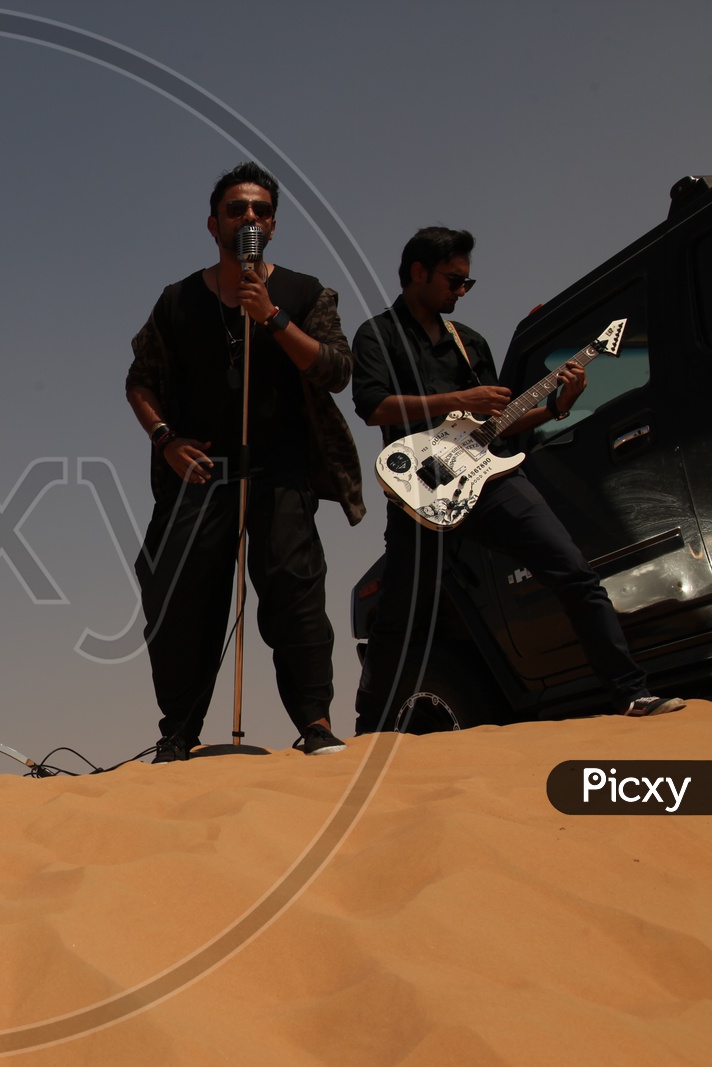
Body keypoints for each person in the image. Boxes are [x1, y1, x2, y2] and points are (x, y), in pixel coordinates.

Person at [350, 227, 684, 731]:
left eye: (468, 283)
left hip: (493, 478)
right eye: (453, 280)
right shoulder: (377, 335)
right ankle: (368, 732)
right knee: (399, 616)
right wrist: (457, 403)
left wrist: (556, 405)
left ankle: (631, 693)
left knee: (573, 571)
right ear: (418, 272)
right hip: (421, 491)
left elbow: (499, 421)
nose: (461, 291)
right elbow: (373, 407)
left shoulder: (471, 344)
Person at [124, 162, 365, 762]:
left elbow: (336, 370)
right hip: (201, 473)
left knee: (294, 592)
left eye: (260, 210)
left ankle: (314, 723)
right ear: (214, 224)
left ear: (274, 226)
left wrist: (273, 319)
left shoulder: (306, 293)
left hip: (280, 469)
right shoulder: (177, 301)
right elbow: (139, 380)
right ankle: (178, 731)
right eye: (237, 210)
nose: (249, 218)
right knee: (172, 593)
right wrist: (164, 438)